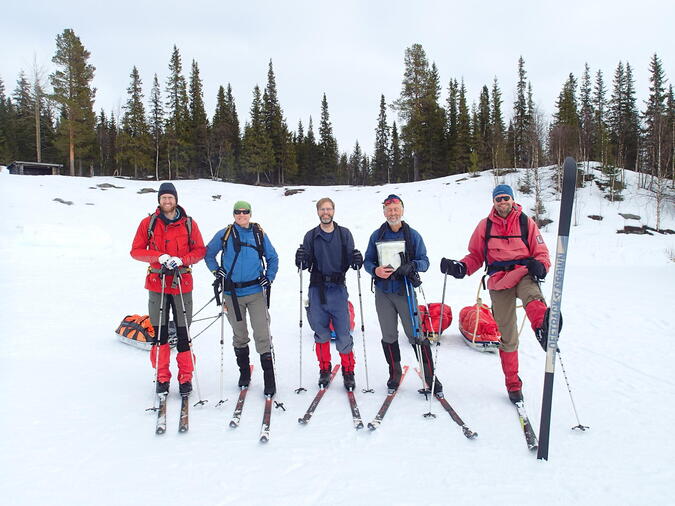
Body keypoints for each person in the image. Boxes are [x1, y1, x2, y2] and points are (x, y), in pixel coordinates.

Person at [440, 184, 551, 404]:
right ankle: (513, 383)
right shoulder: (485, 226)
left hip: (523, 272)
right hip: (499, 281)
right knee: (508, 336)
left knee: (532, 296)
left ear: (512, 200)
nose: (502, 202)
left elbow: (541, 252)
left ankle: (543, 327)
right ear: (493, 202)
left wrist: (541, 265)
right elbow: (475, 255)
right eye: (498, 199)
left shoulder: (525, 222)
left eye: (506, 198)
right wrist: (461, 268)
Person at [130, 182, 206, 396]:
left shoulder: (189, 224)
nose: (167, 201)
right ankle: (162, 377)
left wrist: (182, 260)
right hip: (158, 284)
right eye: (163, 198)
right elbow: (136, 250)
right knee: (160, 334)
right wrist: (159, 257)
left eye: (170, 197)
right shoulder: (148, 223)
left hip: (182, 284)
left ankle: (186, 378)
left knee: (183, 334)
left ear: (176, 199)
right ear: (159, 200)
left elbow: (200, 250)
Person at [364, 194, 442, 394]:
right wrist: (375, 270)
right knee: (388, 334)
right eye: (389, 210)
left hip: (405, 289)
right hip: (383, 291)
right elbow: (368, 261)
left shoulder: (412, 235)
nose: (393, 213)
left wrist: (412, 265)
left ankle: (429, 375)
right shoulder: (377, 236)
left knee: (415, 333)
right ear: (384, 212)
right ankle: (394, 372)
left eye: (396, 209)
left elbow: (425, 261)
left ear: (402, 210)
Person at [205, 201, 279, 397]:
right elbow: (208, 253)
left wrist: (268, 277)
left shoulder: (259, 234)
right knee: (239, 334)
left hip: (255, 292)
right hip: (232, 294)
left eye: (245, 212)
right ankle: (244, 373)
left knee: (262, 333)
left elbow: (273, 258)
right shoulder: (225, 234)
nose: (241, 215)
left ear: (250, 214)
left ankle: (269, 379)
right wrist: (215, 270)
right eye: (237, 212)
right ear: (233, 214)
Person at [295, 198, 363, 391]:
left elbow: (352, 259)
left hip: (338, 290)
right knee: (321, 333)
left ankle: (348, 371)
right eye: (322, 209)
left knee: (343, 333)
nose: (326, 212)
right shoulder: (311, 235)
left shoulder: (344, 234)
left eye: (329, 209)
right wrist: (299, 259)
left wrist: (358, 260)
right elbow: (305, 263)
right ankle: (324, 369)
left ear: (333, 211)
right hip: (316, 289)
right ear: (317, 212)